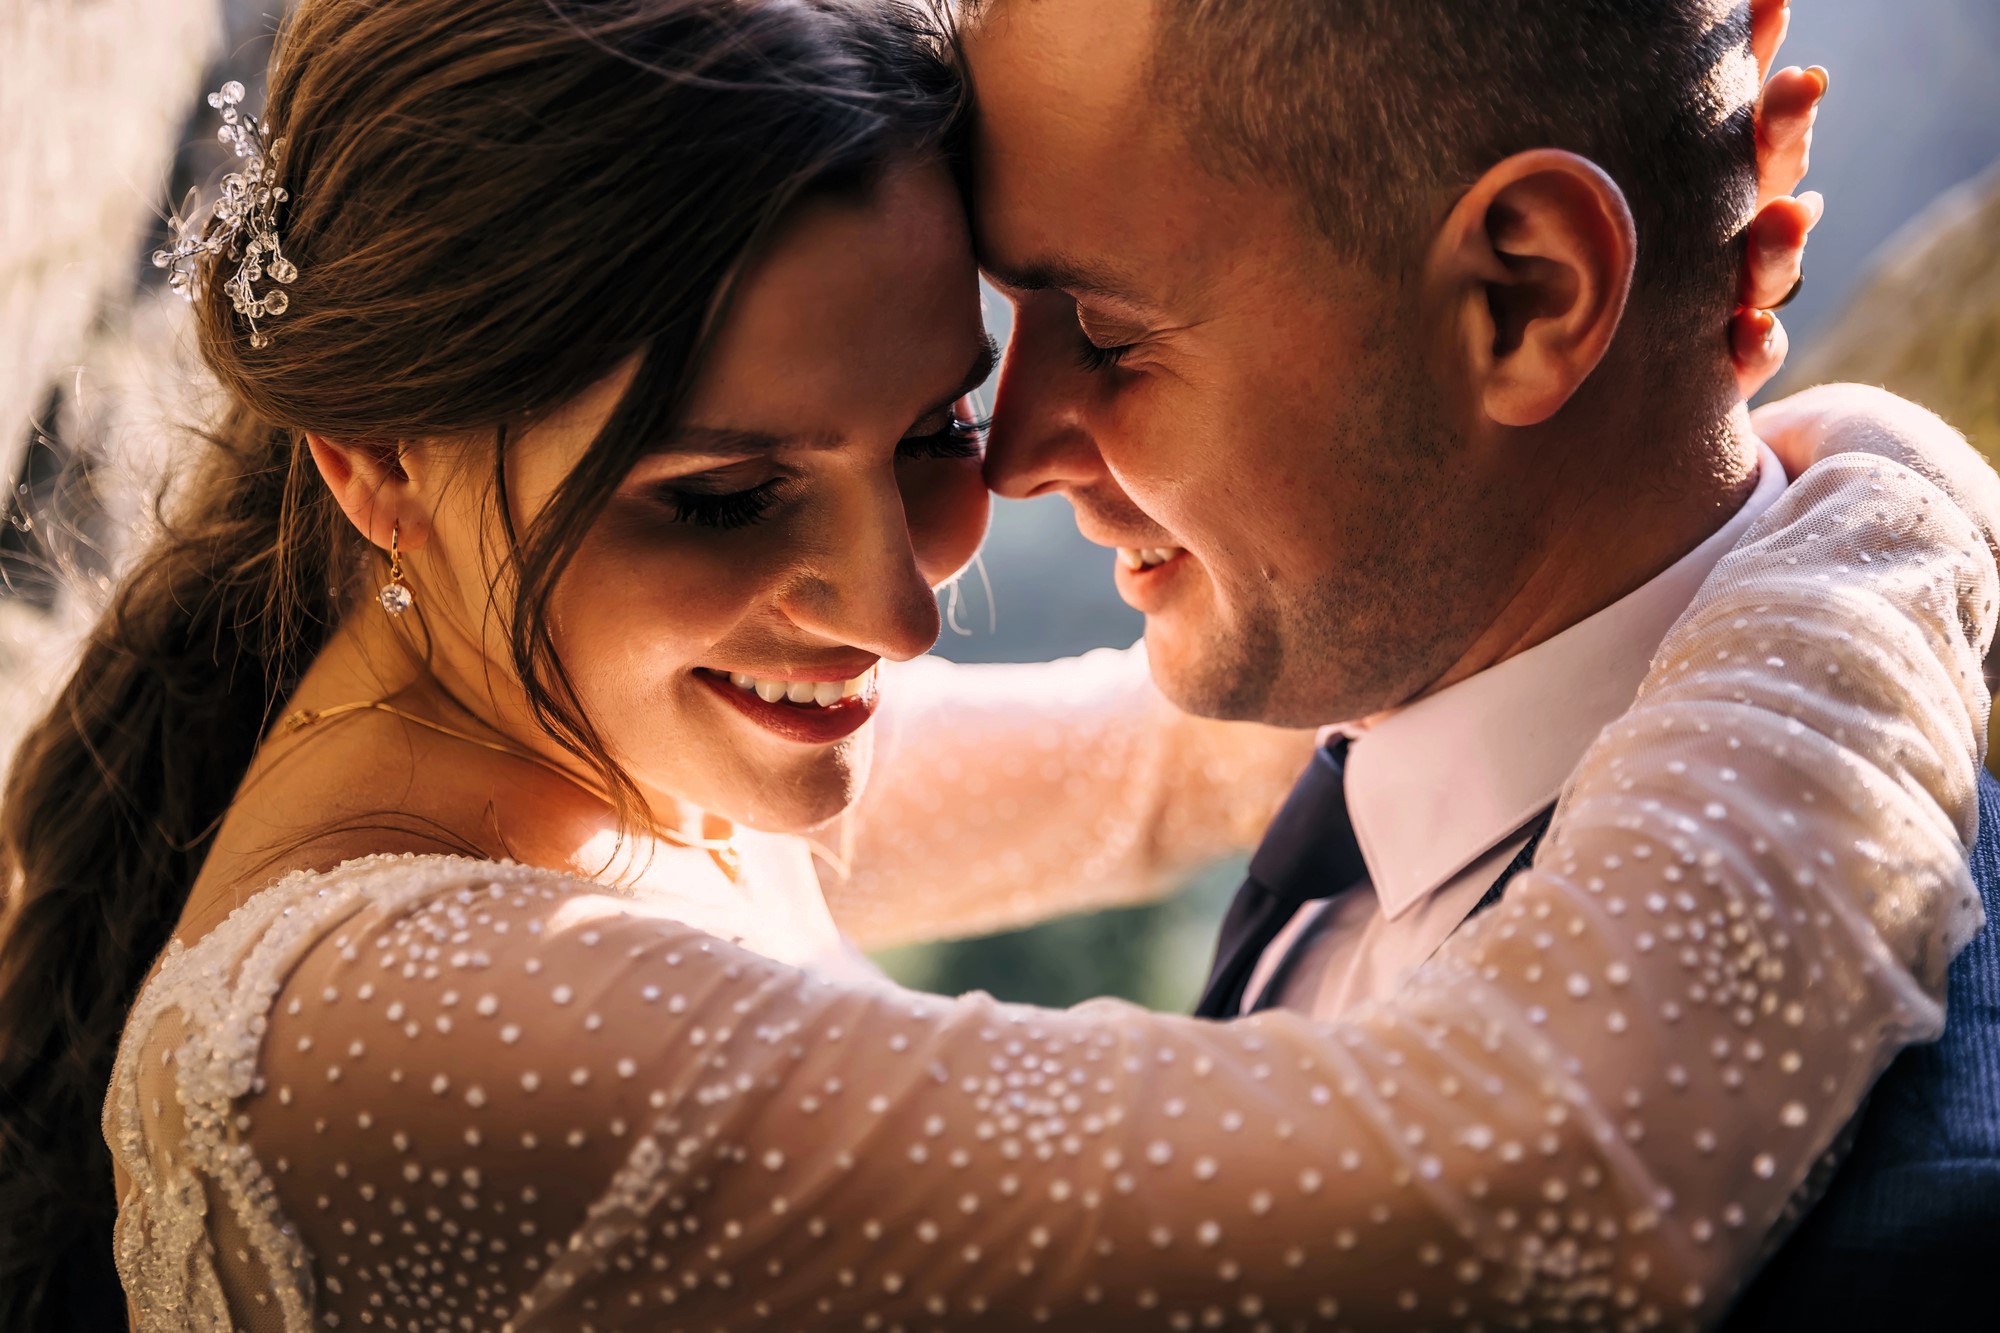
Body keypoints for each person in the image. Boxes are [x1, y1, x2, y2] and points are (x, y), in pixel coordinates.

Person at [0, 2, 1981, 1331]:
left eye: (928, 436)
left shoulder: (578, 759)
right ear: (377, 470)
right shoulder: (391, 1038)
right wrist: (1888, 501)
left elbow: (1190, 744)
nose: (890, 602)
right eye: (720, 495)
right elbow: (1550, 1185)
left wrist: (1658, 489)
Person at [956, 0, 2000, 1322]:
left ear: (1528, 295)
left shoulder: (1927, 1237)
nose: (1012, 452)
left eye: (1104, 332)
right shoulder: (1366, 728)